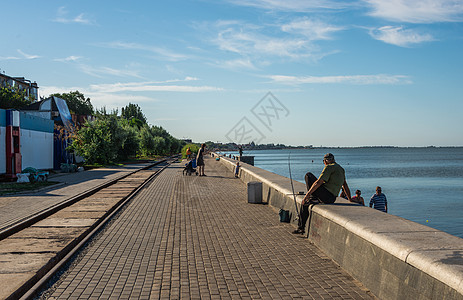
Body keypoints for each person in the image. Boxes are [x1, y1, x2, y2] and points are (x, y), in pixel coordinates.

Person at [293, 153, 352, 234]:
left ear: (325, 161)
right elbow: (345, 185)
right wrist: (350, 199)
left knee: (308, 175)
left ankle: (301, 227)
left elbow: (318, 182)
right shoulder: (341, 169)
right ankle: (302, 226)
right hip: (332, 198)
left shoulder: (329, 167)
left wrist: (307, 195)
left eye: (323, 161)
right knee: (306, 204)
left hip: (326, 196)